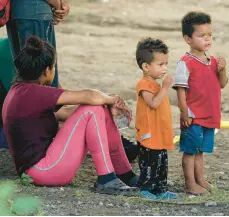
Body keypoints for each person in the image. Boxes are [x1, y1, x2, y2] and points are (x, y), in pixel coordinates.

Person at [2, 35, 138, 195]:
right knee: (92, 110)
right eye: (53, 67)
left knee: (96, 107)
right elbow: (89, 96)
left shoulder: (22, 91)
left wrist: (106, 103)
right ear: (47, 71)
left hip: (40, 168)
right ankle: (106, 178)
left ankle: (125, 174)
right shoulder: (32, 93)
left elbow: (64, 113)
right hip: (42, 170)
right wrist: (112, 99)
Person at [173, 11, 228, 195]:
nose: (207, 39)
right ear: (188, 38)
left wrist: (222, 70)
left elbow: (220, 84)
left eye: (209, 35)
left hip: (209, 116)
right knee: (190, 151)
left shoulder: (212, 61)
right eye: (201, 35)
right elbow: (180, 90)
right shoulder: (185, 63)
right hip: (193, 115)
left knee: (200, 151)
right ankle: (190, 184)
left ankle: (201, 179)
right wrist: (184, 112)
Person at [135, 37, 176, 200]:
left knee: (161, 163)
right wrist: (165, 88)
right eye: (160, 64)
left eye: (166, 64)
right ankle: (146, 188)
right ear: (146, 66)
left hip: (160, 133)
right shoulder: (144, 84)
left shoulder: (157, 85)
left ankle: (160, 189)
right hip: (149, 134)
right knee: (150, 162)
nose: (165, 68)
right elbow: (153, 104)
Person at [6, 0, 70, 88]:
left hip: (20, 12)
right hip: (34, 12)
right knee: (39, 78)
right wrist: (58, 5)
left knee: (26, 76)